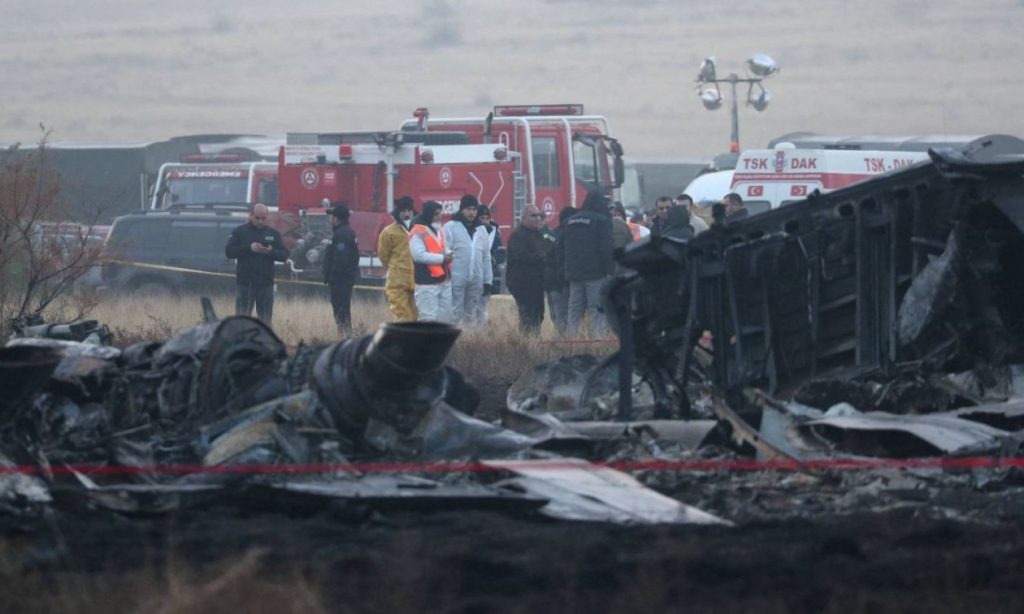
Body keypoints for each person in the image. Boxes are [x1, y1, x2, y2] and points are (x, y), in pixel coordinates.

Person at [224, 203, 287, 325]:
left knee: (265, 322)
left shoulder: (273, 234)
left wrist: (271, 251)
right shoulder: (239, 232)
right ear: (251, 215)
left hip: (266, 285)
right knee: (242, 321)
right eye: (257, 218)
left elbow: (284, 255)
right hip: (245, 285)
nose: (260, 221)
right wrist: (249, 248)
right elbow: (229, 252)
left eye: (263, 218)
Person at [562, 190, 614, 337]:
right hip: (596, 274)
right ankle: (598, 342)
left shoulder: (569, 221)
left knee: (574, 311)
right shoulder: (602, 221)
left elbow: (562, 248)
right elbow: (606, 249)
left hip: (574, 274)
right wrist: (610, 270)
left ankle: (570, 342)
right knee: (597, 311)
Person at [443, 195, 492, 327]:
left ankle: (469, 338)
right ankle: (454, 336)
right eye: (468, 209)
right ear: (462, 209)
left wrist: (487, 281)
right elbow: (444, 251)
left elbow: (486, 257)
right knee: (455, 313)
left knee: (471, 314)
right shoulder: (450, 227)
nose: (472, 212)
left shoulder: (481, 230)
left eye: (474, 209)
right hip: (456, 279)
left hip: (476, 279)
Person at [506, 204, 549, 332]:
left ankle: (534, 340)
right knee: (527, 317)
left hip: (537, 283)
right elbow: (522, 256)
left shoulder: (539, 234)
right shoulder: (517, 235)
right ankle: (526, 341)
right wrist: (542, 257)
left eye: (539, 215)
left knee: (539, 315)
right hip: (522, 283)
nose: (537, 218)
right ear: (524, 218)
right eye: (533, 215)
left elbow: (545, 250)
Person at [408, 200, 453, 322]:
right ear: (429, 214)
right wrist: (443, 258)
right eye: (436, 214)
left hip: (443, 280)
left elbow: (444, 247)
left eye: (440, 213)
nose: (440, 217)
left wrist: (449, 253)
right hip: (426, 282)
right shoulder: (417, 232)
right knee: (427, 318)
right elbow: (418, 256)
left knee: (445, 318)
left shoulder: (439, 230)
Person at [377, 196, 418, 322]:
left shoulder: (419, 229)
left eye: (409, 211)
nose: (407, 214)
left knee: (417, 316)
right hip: (397, 281)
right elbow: (383, 255)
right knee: (402, 316)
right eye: (403, 211)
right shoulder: (389, 232)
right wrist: (395, 269)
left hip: (417, 280)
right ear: (397, 213)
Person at [322, 204, 360, 333]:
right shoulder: (345, 232)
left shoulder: (341, 234)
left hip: (340, 280)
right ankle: (345, 333)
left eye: (332, 216)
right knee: (342, 309)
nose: (330, 219)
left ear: (336, 218)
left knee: (340, 310)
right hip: (344, 279)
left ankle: (344, 334)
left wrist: (332, 277)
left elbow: (341, 259)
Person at [544, 206, 576, 335]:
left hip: (550, 283)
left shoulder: (552, 234)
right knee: (563, 315)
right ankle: (561, 342)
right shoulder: (566, 235)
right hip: (561, 283)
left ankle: (558, 340)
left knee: (556, 315)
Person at [474, 204, 505, 326]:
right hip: (474, 273)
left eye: (487, 218)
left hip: (490, 274)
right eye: (482, 218)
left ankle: (482, 329)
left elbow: (501, 252)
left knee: (483, 305)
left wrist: (494, 260)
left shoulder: (495, 233)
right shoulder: (473, 231)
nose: (485, 221)